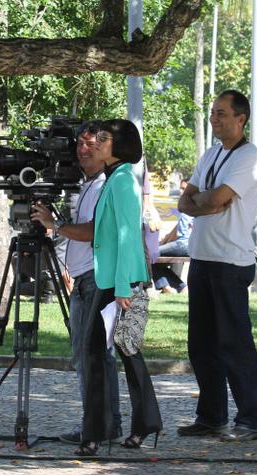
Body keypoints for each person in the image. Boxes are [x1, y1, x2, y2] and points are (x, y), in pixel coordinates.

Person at [37, 119, 162, 456]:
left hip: (117, 283)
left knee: (118, 354)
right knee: (108, 355)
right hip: (111, 280)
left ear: (117, 146)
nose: (96, 143)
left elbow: (125, 237)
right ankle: (121, 428)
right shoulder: (113, 180)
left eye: (104, 139)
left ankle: (107, 432)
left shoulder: (122, 182)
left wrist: (122, 288)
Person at [177, 90, 257, 441]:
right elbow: (186, 201)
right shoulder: (211, 153)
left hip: (230, 261)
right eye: (213, 112)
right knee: (201, 344)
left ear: (240, 119)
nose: (214, 118)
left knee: (235, 344)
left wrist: (206, 201)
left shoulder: (251, 158)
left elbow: (215, 198)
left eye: (222, 113)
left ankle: (252, 419)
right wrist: (205, 203)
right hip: (201, 257)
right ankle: (211, 416)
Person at [30, 120, 123, 445]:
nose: (83, 151)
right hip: (86, 277)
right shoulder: (85, 185)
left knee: (90, 355)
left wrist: (55, 226)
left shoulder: (105, 186)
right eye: (79, 145)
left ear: (104, 148)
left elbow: (94, 231)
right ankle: (104, 424)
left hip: (98, 280)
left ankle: (97, 427)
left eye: (90, 145)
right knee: (94, 355)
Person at [151, 178, 193, 294]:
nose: (180, 191)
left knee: (149, 255)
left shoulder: (186, 204)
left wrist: (162, 242)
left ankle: (168, 287)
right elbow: (176, 231)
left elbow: (178, 236)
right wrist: (164, 240)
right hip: (192, 246)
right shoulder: (195, 204)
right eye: (180, 188)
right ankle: (180, 287)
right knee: (156, 260)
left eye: (184, 188)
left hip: (183, 244)